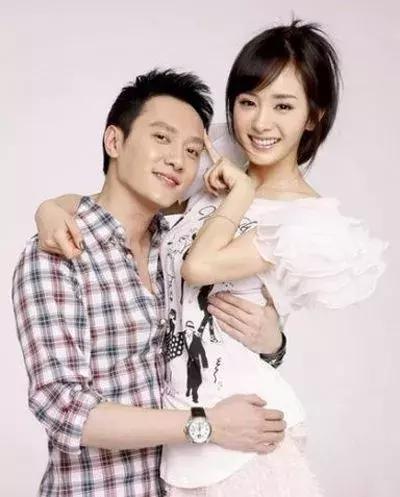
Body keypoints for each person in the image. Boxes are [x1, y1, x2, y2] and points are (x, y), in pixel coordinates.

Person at [32, 20, 387, 497]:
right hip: (182, 448)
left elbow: (198, 270)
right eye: (248, 102)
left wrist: (273, 342)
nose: (261, 123)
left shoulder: (306, 222)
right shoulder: (218, 169)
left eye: (284, 106)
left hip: (240, 443)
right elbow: (121, 199)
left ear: (312, 116)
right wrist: (49, 208)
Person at [12, 69, 286, 497]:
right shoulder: (59, 251)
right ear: (114, 141)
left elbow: (222, 354)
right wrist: (206, 425)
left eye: (192, 150)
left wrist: (273, 344)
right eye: (162, 138)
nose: (178, 160)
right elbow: (63, 407)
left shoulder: (183, 252)